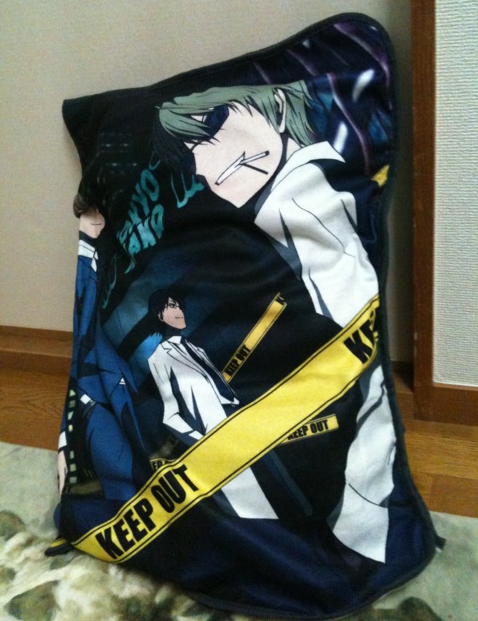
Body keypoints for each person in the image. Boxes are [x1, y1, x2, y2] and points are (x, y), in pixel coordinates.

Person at [153, 83, 397, 562]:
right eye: (191, 151)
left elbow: (353, 346)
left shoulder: (292, 200)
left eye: (214, 126)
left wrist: (360, 510)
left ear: (280, 109)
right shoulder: (286, 203)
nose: (205, 164)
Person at [147, 288, 278, 520]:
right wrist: (202, 443)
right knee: (254, 508)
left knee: (277, 487)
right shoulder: (159, 358)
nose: (179, 311)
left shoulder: (197, 350)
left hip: (242, 428)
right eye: (172, 306)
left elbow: (222, 390)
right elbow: (170, 416)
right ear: (160, 315)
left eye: (179, 306)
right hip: (216, 442)